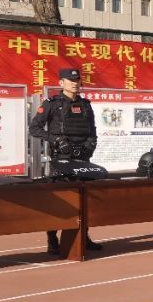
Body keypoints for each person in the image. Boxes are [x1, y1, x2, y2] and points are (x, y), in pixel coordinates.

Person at [28, 67, 101, 253]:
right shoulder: (51, 104)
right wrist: (55, 139)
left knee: (85, 200)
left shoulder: (85, 105)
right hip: (60, 160)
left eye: (77, 80)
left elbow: (92, 130)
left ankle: (84, 237)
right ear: (61, 83)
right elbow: (34, 128)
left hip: (83, 160)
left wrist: (91, 143)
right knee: (59, 202)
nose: (75, 84)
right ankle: (52, 239)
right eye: (71, 81)